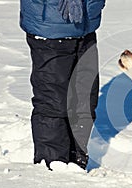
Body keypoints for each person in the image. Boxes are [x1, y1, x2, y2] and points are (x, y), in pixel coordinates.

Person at [20, 0, 105, 170]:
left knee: (85, 98)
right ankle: (53, 164)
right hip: (50, 30)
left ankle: (77, 160)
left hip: (86, 26)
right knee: (53, 100)